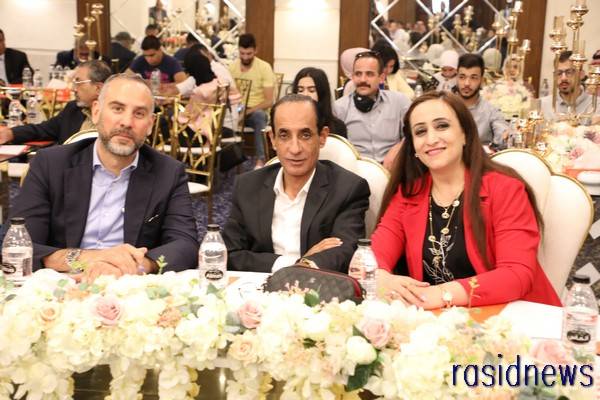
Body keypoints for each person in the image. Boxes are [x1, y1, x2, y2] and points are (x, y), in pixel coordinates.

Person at [370, 91, 561, 308]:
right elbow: (372, 255)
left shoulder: (505, 189)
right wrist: (381, 276)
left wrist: (440, 295)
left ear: (465, 134)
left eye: (442, 126)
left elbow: (515, 275)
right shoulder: (408, 194)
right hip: (437, 320)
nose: (431, 139)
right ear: (413, 145)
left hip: (510, 317)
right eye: (420, 131)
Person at [5, 74, 198, 280]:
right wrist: (89, 258)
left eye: (139, 114)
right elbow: (16, 242)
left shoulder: (168, 172)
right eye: (117, 109)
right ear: (96, 112)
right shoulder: (50, 164)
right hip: (62, 283)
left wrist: (136, 265)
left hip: (130, 285)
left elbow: (185, 245)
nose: (127, 122)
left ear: (150, 125)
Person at [223, 94, 370, 273]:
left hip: (316, 288)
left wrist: (301, 267)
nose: (295, 149)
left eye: (305, 135)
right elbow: (230, 254)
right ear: (272, 139)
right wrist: (299, 263)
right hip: (257, 287)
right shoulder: (247, 186)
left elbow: (345, 253)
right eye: (284, 135)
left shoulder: (348, 189)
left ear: (322, 137)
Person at [0, 60, 111, 144]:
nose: (73, 89)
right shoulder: (73, 109)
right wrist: (11, 133)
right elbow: (43, 130)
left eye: (78, 83)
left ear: (98, 88)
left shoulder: (113, 116)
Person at [333, 50, 410, 163]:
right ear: (352, 77)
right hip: (355, 168)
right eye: (358, 74)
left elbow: (411, 136)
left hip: (393, 167)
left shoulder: (399, 102)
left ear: (381, 78)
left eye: (369, 74)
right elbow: (336, 148)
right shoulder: (339, 108)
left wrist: (398, 151)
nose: (363, 80)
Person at [229, 33, 276, 169]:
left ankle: (261, 160)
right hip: (236, 110)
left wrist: (246, 112)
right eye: (242, 53)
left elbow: (269, 101)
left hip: (255, 111)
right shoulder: (232, 67)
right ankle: (224, 165)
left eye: (249, 54)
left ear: (256, 50)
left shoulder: (264, 67)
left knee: (259, 116)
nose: (245, 57)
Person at [454, 53, 509, 149]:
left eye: (473, 78)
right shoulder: (445, 107)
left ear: (482, 80)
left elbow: (502, 132)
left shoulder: (491, 111)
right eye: (462, 77)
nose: (467, 83)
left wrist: (506, 135)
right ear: (456, 78)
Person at [541, 50, 599, 121]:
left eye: (569, 72)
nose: (563, 78)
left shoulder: (596, 105)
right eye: (559, 73)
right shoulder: (543, 105)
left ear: (581, 74)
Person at [291, 67, 347, 137]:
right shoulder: (288, 123)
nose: (305, 94)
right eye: (300, 90)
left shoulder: (337, 127)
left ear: (322, 94)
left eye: (311, 90)